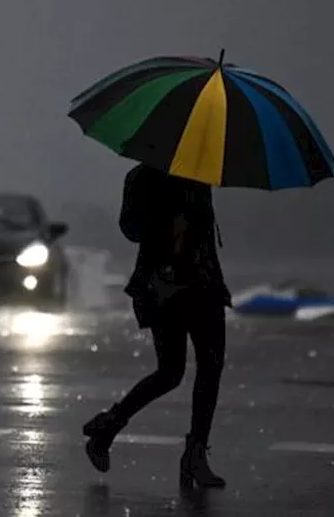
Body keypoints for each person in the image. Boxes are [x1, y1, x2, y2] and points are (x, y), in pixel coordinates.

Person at [81, 163, 232, 489]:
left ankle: (195, 453)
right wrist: (166, 221)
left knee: (211, 365)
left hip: (203, 283)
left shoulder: (199, 176)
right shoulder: (143, 177)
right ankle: (109, 427)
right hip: (164, 287)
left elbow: (204, 231)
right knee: (171, 372)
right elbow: (131, 228)